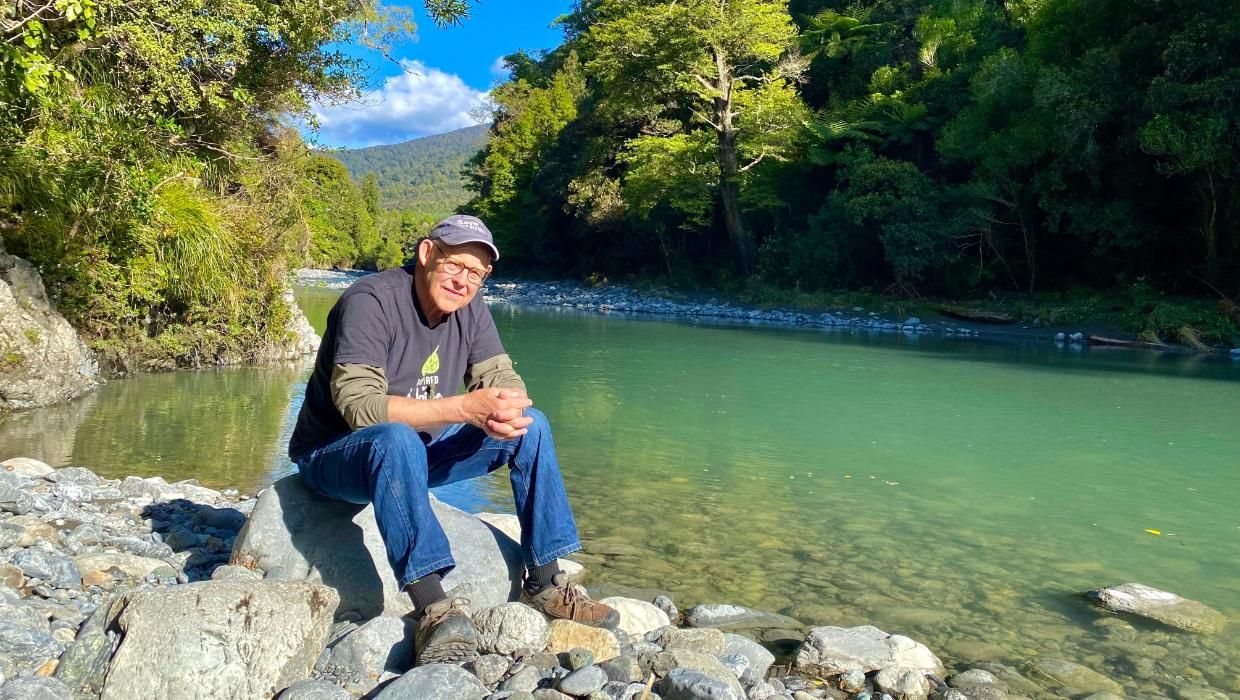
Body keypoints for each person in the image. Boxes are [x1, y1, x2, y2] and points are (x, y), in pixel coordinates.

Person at [287, 215, 618, 666]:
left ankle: (544, 582)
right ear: (427, 253)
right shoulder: (371, 301)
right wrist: (464, 408)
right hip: (337, 455)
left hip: (416, 455)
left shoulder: (469, 307)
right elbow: (359, 407)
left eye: (476, 273)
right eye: (455, 265)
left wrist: (505, 409)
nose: (463, 281)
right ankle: (432, 607)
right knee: (395, 439)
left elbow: (501, 377)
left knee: (533, 425)